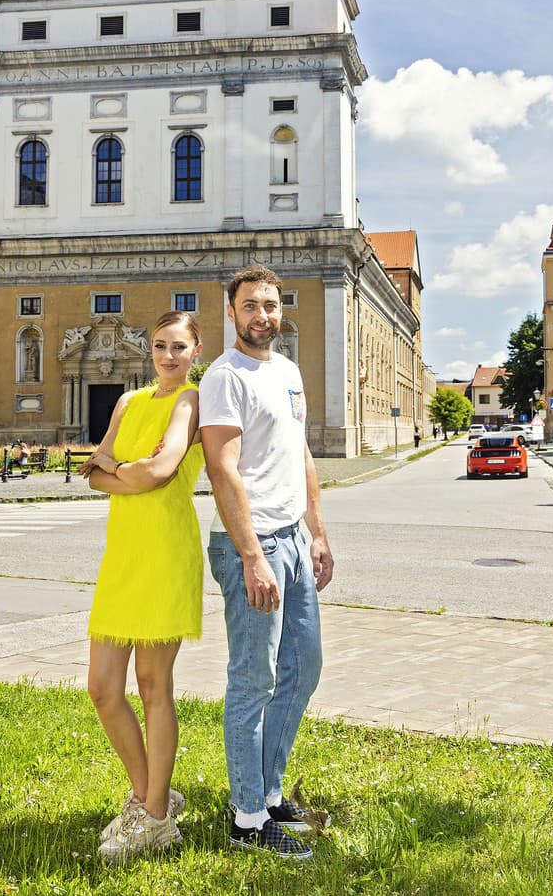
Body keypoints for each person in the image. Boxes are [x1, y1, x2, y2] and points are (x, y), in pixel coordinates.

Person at [200, 266, 334, 862]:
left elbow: (300, 451)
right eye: (250, 306)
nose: (262, 316)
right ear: (231, 313)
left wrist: (318, 532)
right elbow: (222, 469)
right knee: (254, 680)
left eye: (270, 306)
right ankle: (247, 819)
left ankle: (270, 792)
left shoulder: (287, 370)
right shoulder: (224, 378)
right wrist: (253, 557)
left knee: (303, 667)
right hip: (251, 547)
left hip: (294, 542)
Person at [79, 311, 204, 863]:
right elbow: (91, 472)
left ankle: (154, 816)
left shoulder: (192, 401)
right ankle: (150, 794)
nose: (168, 356)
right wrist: (127, 465)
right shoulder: (131, 403)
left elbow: (162, 472)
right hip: (123, 555)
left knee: (154, 687)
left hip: (165, 552)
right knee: (103, 688)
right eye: (160, 346)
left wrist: (117, 466)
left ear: (195, 352)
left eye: (179, 347)